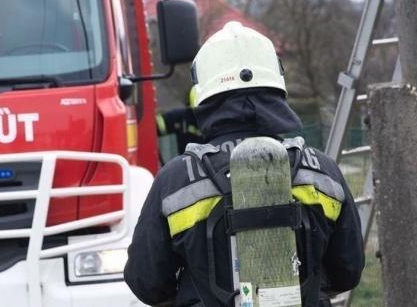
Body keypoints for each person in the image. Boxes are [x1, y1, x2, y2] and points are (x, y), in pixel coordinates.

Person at [124, 21, 364, 307]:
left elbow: (147, 284)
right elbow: (347, 273)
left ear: (204, 92)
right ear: (276, 85)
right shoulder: (323, 172)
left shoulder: (175, 181)